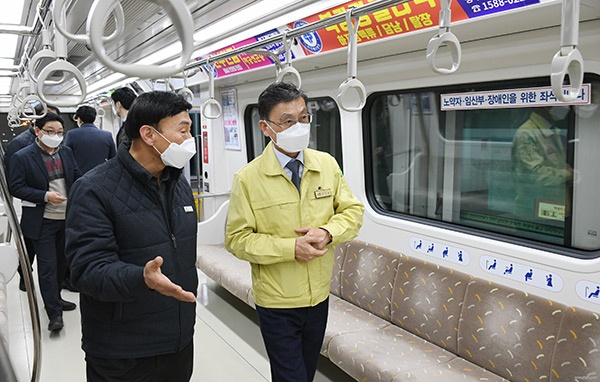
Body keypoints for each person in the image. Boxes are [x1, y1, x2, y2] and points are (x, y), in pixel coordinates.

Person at [225, 82, 364, 382]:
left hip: (318, 297)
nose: (299, 126)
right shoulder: (248, 179)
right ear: (265, 127)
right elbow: (237, 239)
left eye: (303, 117)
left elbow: (353, 213)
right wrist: (290, 249)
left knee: (305, 372)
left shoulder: (326, 164)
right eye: (287, 121)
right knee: (291, 378)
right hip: (277, 301)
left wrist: (327, 232)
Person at [65, 91, 198, 382]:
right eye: (184, 130)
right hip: (122, 349)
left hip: (178, 340)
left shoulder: (178, 184)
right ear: (149, 134)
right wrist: (142, 278)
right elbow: (86, 270)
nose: (190, 140)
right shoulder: (94, 189)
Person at [8, 112, 80, 332]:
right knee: (48, 267)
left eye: (59, 132)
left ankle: (56, 298)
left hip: (66, 219)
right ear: (37, 131)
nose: (55, 136)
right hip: (43, 220)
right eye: (50, 132)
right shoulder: (22, 156)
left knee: (62, 265)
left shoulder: (66, 152)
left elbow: (76, 177)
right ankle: (54, 314)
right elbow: (16, 187)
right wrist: (45, 196)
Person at [5, 105, 60, 292]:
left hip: (57, 208)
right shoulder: (19, 145)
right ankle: (25, 276)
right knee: (29, 248)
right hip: (34, 206)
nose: (55, 134)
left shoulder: (59, 144)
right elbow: (14, 182)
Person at [512, 106, 573, 220]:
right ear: (545, 107)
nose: (565, 109)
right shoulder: (527, 133)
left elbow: (554, 163)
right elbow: (533, 174)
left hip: (553, 207)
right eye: (560, 105)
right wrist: (567, 174)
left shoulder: (552, 130)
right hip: (533, 210)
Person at [65, 105, 116, 174]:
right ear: (94, 118)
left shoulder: (71, 134)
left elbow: (67, 158)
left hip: (80, 177)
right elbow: (113, 159)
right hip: (102, 176)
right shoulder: (107, 135)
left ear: (79, 119)